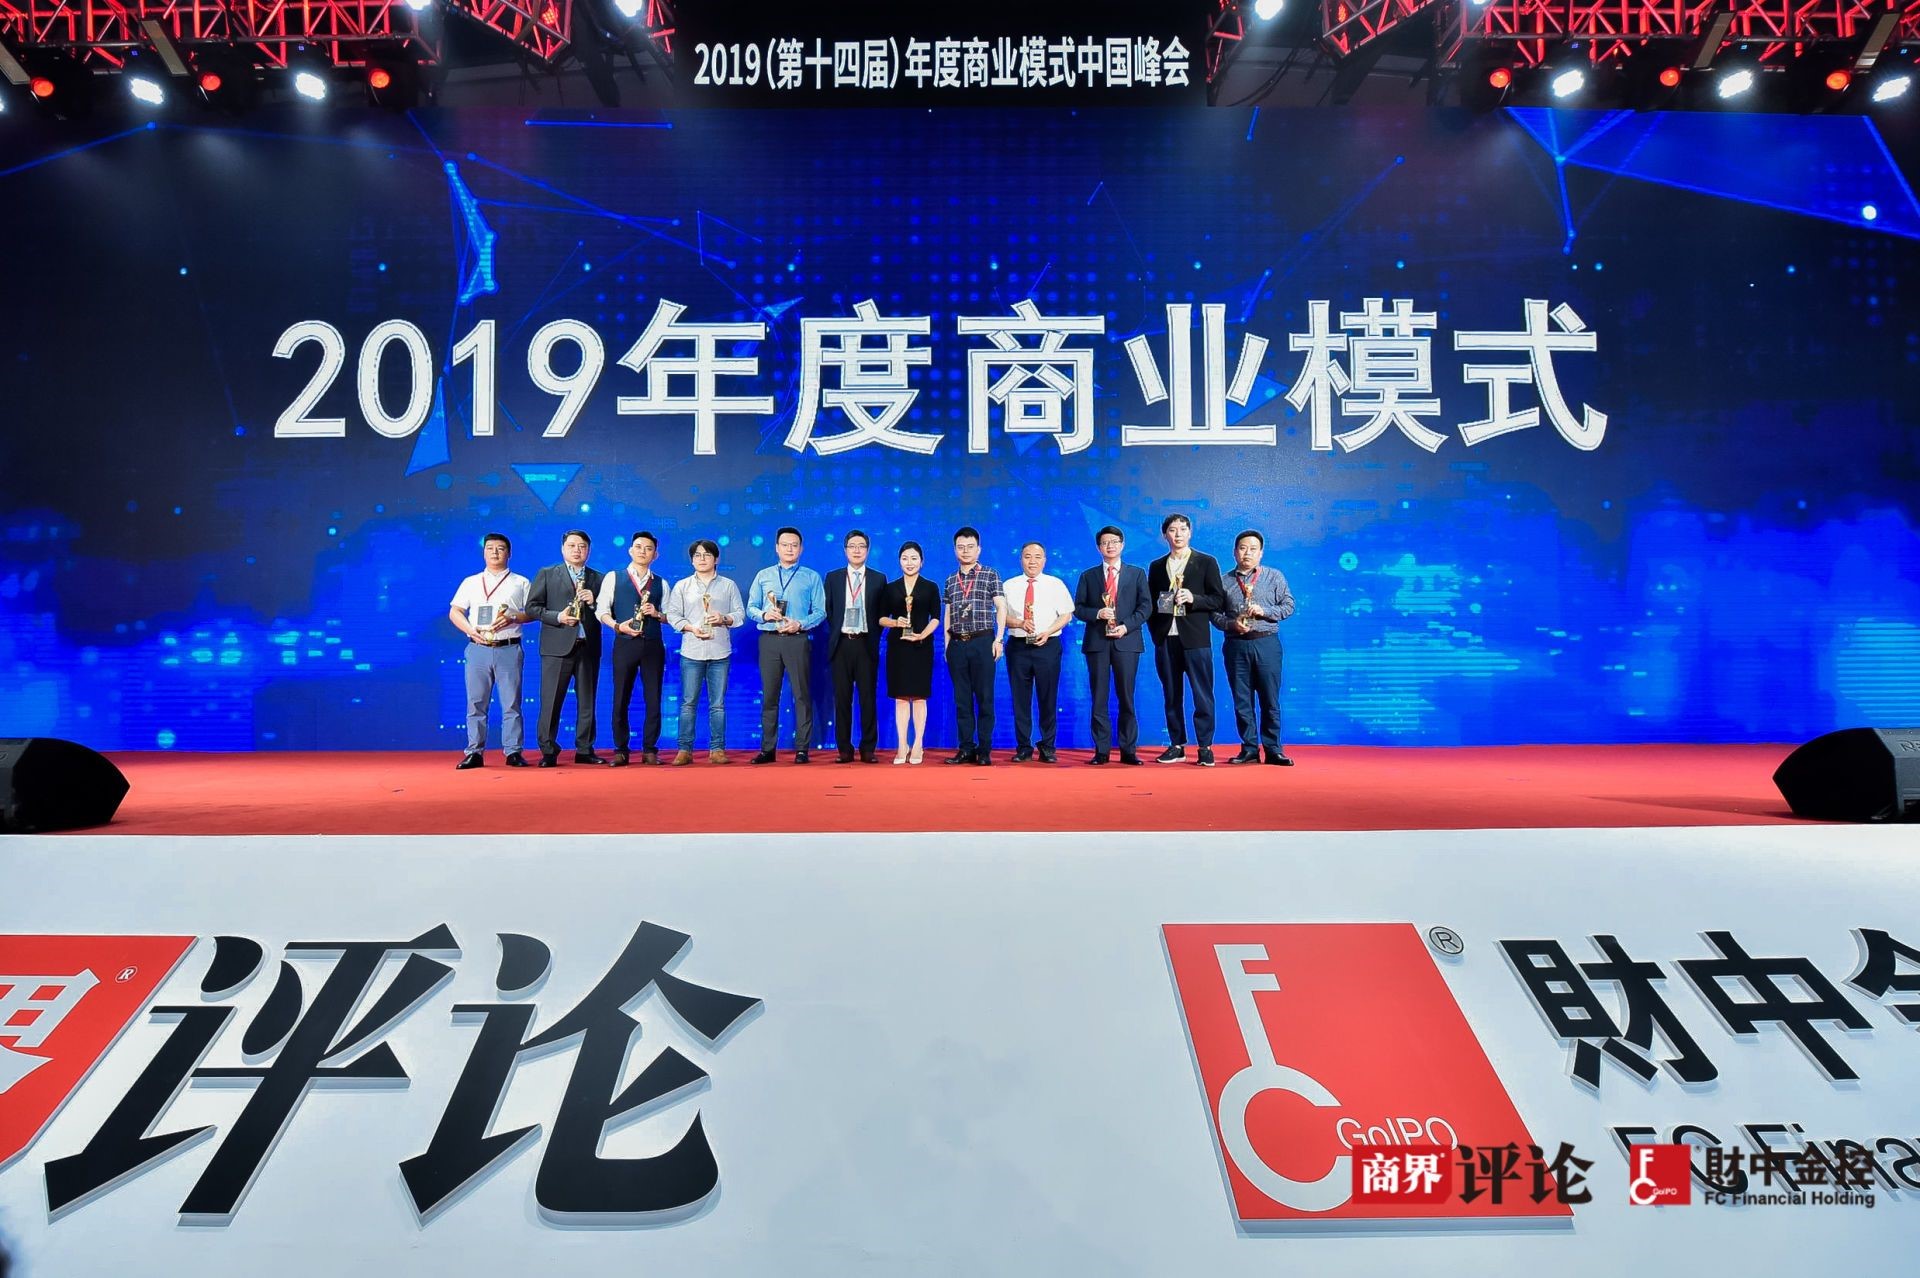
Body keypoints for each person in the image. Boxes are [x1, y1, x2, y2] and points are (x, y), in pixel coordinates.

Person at [1146, 513, 1227, 766]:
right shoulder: (1157, 566)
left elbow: (1218, 599)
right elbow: (1151, 603)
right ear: (1165, 535)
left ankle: (1205, 746)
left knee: (1202, 694)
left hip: (1195, 639)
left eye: (1183, 529)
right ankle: (1176, 745)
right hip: (1166, 638)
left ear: (1190, 533)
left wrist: (1194, 598)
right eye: (1172, 530)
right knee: (1171, 694)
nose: (1178, 534)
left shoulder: (1206, 562)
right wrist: (1156, 633)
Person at [448, 532, 533, 769]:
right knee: (476, 702)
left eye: (500, 548)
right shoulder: (471, 582)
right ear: (483, 552)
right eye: (490, 548)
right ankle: (474, 752)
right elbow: (455, 611)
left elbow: (532, 613)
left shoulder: (521, 582)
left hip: (509, 648)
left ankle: (513, 751)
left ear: (509, 553)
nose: (495, 552)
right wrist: (470, 630)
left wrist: (513, 617)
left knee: (511, 703)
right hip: (477, 648)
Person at [526, 529, 607, 767]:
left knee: (587, 701)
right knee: (551, 701)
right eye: (572, 545)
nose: (577, 550)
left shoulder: (599, 578)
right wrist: (558, 616)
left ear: (588, 550)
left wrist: (594, 602)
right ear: (563, 549)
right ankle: (548, 750)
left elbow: (608, 612)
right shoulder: (547, 573)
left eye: (582, 546)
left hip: (588, 647)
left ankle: (585, 749)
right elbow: (532, 608)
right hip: (556, 647)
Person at [1216, 529, 1297, 766]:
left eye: (1253, 549)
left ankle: (1273, 749)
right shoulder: (1224, 581)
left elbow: (1289, 606)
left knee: (1270, 699)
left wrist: (1265, 611)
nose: (1247, 553)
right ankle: (1249, 748)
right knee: (1242, 699)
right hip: (1236, 645)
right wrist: (1232, 624)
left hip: (1266, 643)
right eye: (1243, 548)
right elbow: (1214, 614)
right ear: (1234, 552)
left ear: (1261, 553)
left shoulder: (1274, 577)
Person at [1072, 525, 1152, 766]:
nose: (1110, 546)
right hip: (1097, 643)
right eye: (1105, 542)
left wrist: (1126, 626)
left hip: (1126, 641)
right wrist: (1098, 613)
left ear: (1122, 545)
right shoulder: (1088, 576)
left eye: (1115, 541)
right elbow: (1079, 608)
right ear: (1099, 547)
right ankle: (1102, 750)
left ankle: (1128, 750)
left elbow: (1146, 607)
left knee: (1126, 697)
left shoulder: (1137, 574)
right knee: (1099, 697)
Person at [746, 526, 826, 765]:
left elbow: (820, 611)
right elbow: (751, 607)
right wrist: (764, 615)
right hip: (769, 640)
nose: (789, 549)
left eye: (794, 545)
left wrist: (800, 623)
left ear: (801, 549)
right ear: (776, 548)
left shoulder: (811, 576)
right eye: (785, 545)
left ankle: (802, 749)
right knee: (770, 696)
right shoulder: (763, 575)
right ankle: (767, 749)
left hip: (797, 640)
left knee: (801, 695)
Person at [664, 539, 745, 765]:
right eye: (697, 555)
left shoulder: (728, 585)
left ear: (716, 559)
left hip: (720, 652)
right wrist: (691, 628)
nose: (702, 559)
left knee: (717, 705)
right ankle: (684, 749)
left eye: (707, 555)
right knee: (688, 703)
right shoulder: (682, 586)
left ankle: (717, 749)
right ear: (692, 560)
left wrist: (723, 618)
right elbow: (672, 615)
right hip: (692, 652)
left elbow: (740, 614)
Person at [595, 530, 669, 766]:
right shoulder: (614, 577)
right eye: (638, 547)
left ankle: (650, 749)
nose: (643, 551)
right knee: (621, 697)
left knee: (653, 698)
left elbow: (671, 616)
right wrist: (618, 626)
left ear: (655, 555)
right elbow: (601, 611)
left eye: (648, 548)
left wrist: (657, 614)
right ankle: (620, 749)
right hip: (625, 643)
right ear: (630, 550)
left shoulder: (661, 583)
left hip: (653, 645)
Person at [1002, 541, 1076, 763]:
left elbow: (1066, 614)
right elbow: (1000, 617)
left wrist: (1048, 631)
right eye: (1027, 556)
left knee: (1048, 697)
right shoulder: (1009, 585)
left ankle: (1048, 746)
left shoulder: (1055, 584)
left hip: (1048, 645)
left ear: (1044, 560)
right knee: (1020, 700)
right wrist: (1019, 622)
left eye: (1037, 557)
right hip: (1018, 647)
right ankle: (1023, 747)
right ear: (1020, 559)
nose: (1032, 561)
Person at [824, 529, 889, 763]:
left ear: (868, 550)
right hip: (841, 644)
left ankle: (868, 748)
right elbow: (829, 610)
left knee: (868, 698)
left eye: (861, 546)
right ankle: (844, 749)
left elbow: (882, 613)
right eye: (852, 546)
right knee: (842, 699)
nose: (857, 550)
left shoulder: (879, 579)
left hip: (865, 644)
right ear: (845, 550)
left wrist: (871, 636)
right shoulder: (833, 577)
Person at [942, 526, 1005, 766]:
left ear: (979, 549)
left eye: (970, 547)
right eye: (961, 547)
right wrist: (947, 645)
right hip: (957, 643)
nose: (965, 551)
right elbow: (948, 614)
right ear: (954, 550)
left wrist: (999, 639)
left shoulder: (990, 574)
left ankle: (984, 750)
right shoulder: (950, 579)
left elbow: (1001, 607)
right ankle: (966, 748)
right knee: (962, 700)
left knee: (985, 697)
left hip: (983, 641)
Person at [878, 541, 941, 764]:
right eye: (905, 558)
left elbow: (936, 617)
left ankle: (918, 745)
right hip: (898, 648)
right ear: (899, 561)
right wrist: (895, 623)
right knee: (901, 697)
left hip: (921, 647)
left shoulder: (930, 587)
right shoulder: (891, 588)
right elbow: (881, 618)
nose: (909, 563)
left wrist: (922, 634)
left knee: (920, 697)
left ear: (921, 562)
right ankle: (902, 744)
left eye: (914, 558)